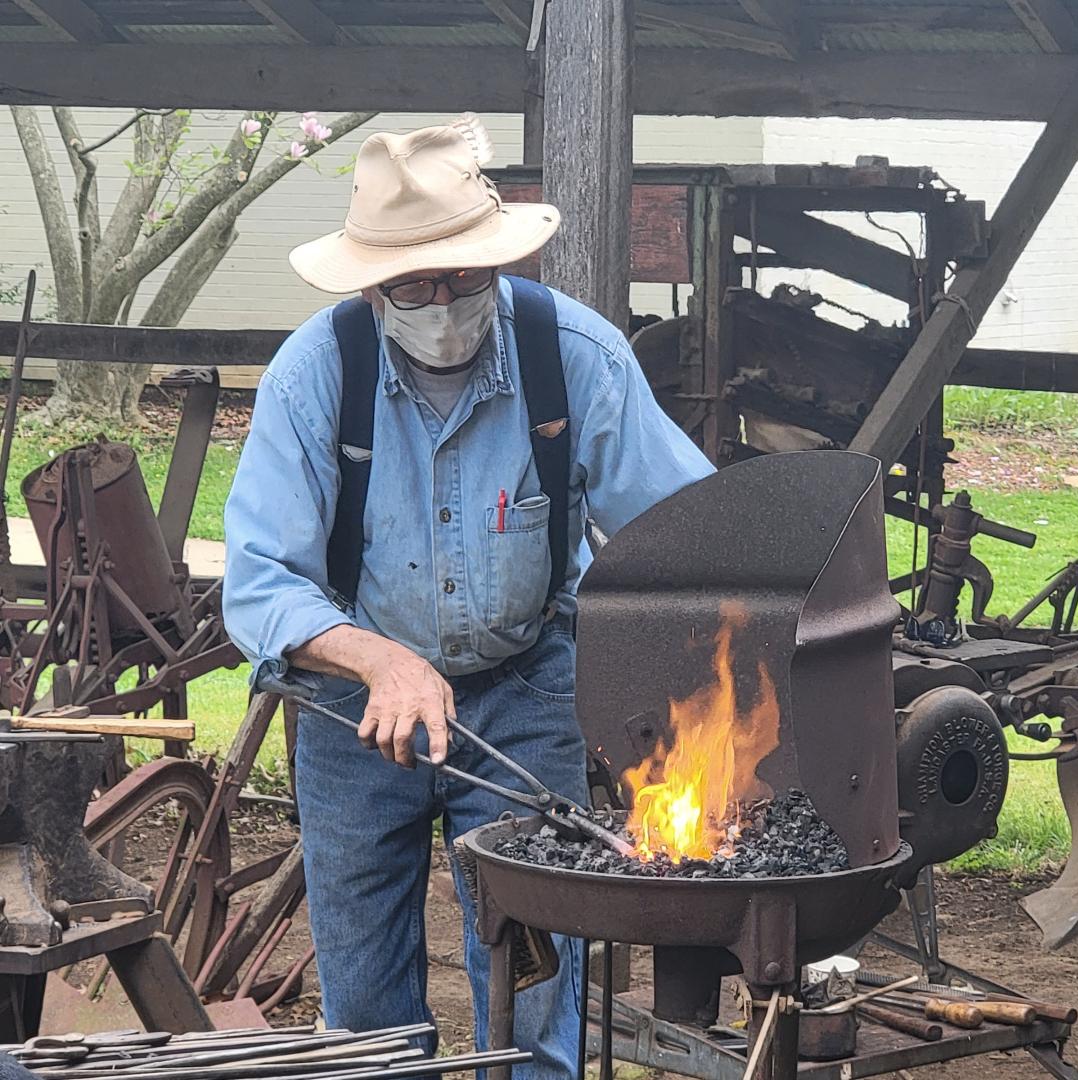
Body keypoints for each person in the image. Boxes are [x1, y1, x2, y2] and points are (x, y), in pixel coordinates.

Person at [223, 119, 714, 1078]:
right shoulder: (315, 375)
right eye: (413, 285)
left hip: (526, 690)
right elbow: (260, 579)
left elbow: (683, 534)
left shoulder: (574, 358)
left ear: (497, 261)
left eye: (462, 276)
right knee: (364, 1010)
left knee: (535, 1000)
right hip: (353, 711)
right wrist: (377, 661)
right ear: (371, 284)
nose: (442, 303)